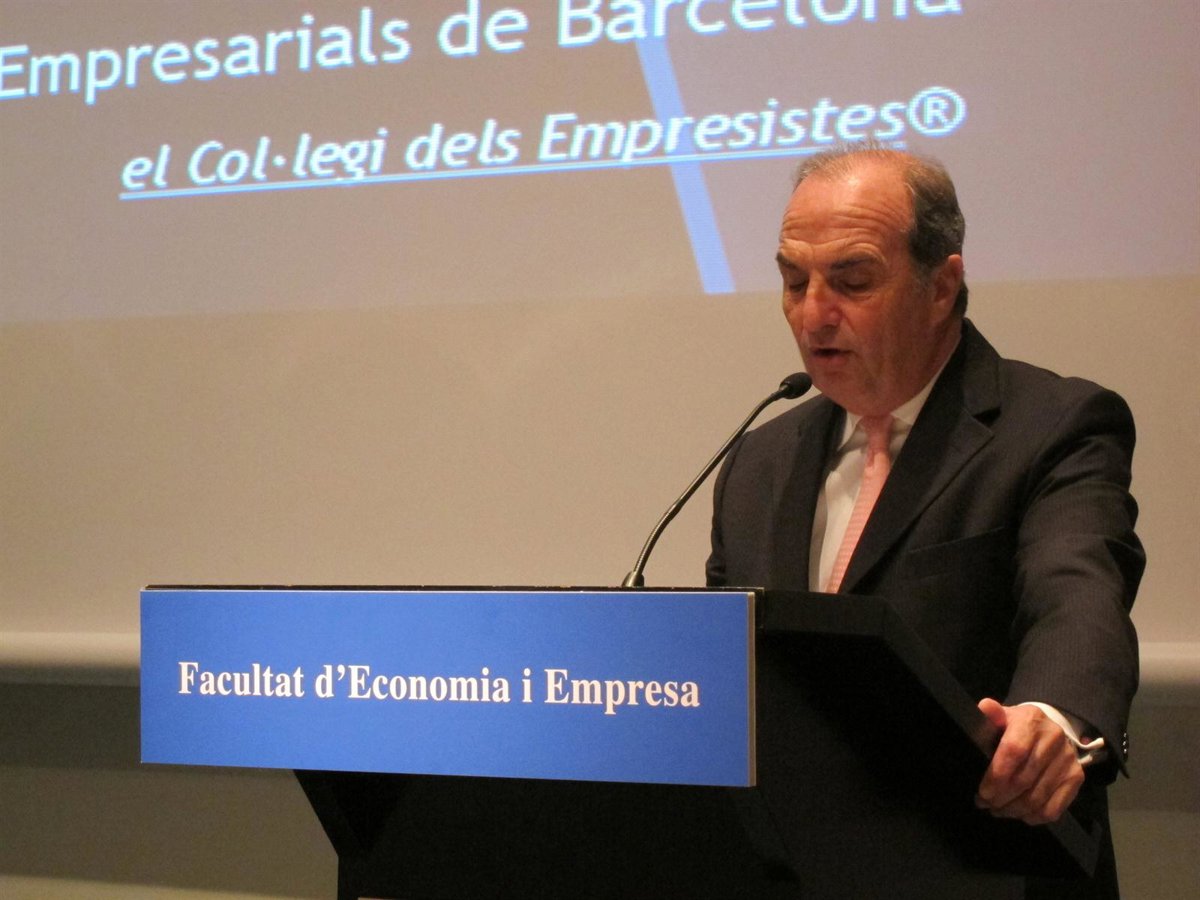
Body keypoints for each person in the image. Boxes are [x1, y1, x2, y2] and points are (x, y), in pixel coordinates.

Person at [707, 146, 1143, 897]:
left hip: (984, 863)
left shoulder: (1054, 425)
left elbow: (1078, 594)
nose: (813, 313)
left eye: (852, 281)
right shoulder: (758, 460)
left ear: (941, 285)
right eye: (794, 281)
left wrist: (1055, 719)